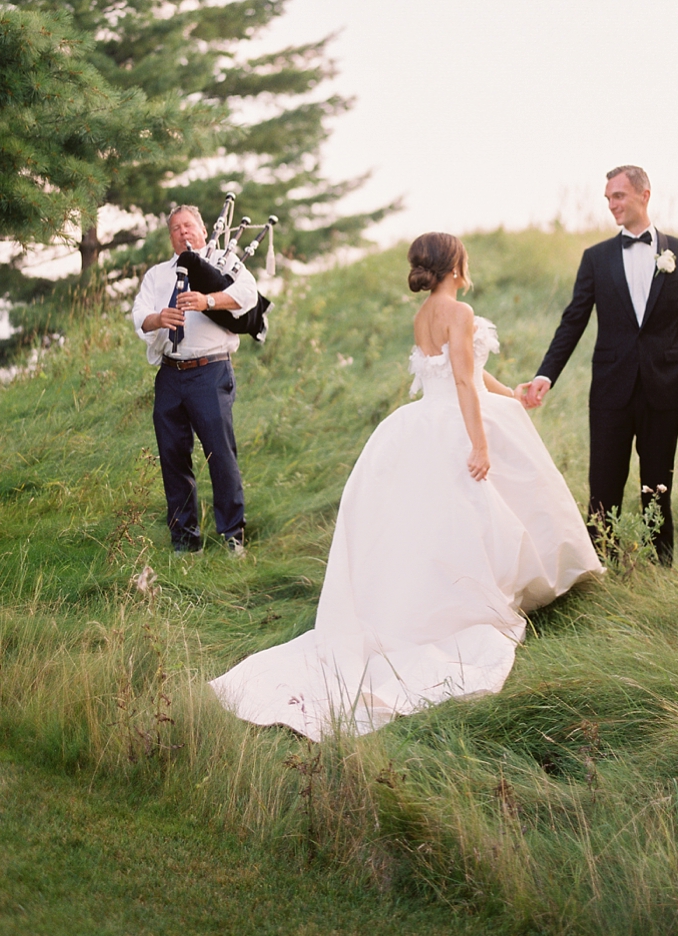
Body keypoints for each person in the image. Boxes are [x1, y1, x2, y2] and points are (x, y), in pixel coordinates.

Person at [210, 232, 601, 740]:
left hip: (423, 424)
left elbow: (472, 374)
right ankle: (472, 607)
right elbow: (462, 382)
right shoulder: (458, 314)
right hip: (455, 424)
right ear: (455, 264)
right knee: (476, 513)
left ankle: (447, 599)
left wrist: (514, 393)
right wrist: (480, 445)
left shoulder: (424, 317)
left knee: (439, 525)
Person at [517, 166, 678, 566]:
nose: (612, 205)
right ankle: (599, 569)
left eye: (619, 196)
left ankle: (660, 569)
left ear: (645, 195)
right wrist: (546, 374)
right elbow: (574, 319)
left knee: (658, 488)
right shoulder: (596, 258)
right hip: (610, 391)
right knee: (604, 488)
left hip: (663, 390)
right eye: (608, 198)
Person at [132, 204, 259, 557]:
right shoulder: (158, 275)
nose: (183, 232)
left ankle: (233, 536)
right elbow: (139, 315)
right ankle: (185, 542)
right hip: (170, 375)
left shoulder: (223, 261)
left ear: (203, 229)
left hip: (210, 370)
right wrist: (159, 318)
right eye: (175, 228)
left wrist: (208, 300)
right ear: (170, 237)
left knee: (220, 455)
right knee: (173, 458)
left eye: (188, 225)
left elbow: (248, 294)